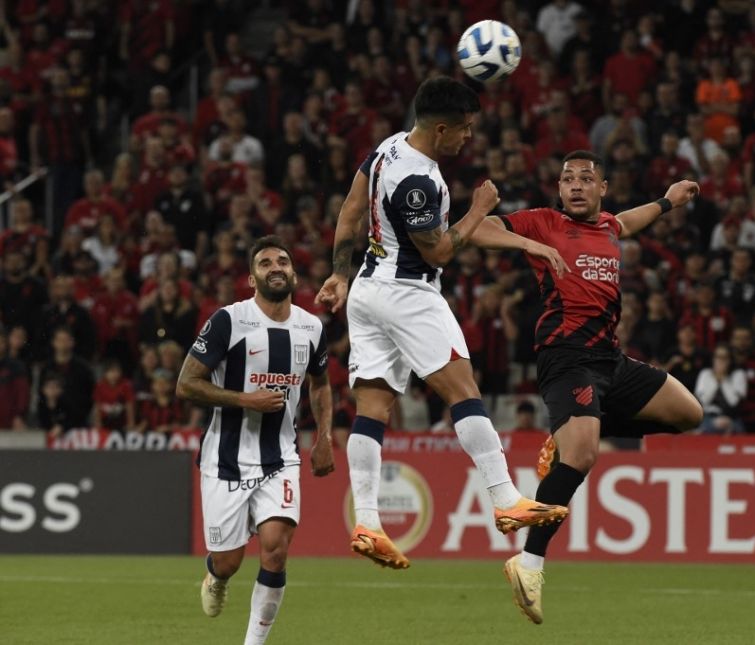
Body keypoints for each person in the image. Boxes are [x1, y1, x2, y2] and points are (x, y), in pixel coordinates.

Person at [315, 77, 570, 570]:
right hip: (408, 293)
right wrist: (477, 209)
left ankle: (367, 520)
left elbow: (350, 210)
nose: (468, 138)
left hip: (367, 293)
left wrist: (338, 274)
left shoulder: (389, 148)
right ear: (440, 128)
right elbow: (442, 250)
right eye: (465, 130)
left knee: (373, 406)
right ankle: (504, 498)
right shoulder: (419, 181)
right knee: (462, 389)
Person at [466, 150, 702, 623]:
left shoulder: (609, 227)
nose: (574, 185)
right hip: (566, 358)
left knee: (688, 414)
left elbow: (629, 222)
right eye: (567, 178)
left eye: (585, 178)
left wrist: (669, 201)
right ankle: (529, 562)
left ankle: (572, 427)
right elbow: (479, 228)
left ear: (602, 189)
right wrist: (527, 246)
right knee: (584, 455)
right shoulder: (543, 222)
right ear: (559, 189)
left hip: (610, 360)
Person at [175, 235, 335, 645]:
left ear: (294, 272)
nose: (276, 267)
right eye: (265, 263)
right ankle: (215, 575)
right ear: (252, 278)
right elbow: (186, 384)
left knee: (275, 549)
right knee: (228, 562)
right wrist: (244, 399)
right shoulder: (228, 321)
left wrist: (324, 437)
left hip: (280, 458)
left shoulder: (311, 327)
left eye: (283, 261)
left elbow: (320, 385)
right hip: (225, 460)